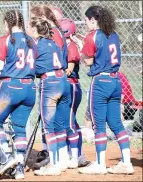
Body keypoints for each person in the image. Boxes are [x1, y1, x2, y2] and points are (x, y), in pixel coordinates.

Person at [70, 5, 134, 174]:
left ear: (93, 20)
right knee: (116, 123)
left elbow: (89, 61)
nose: (86, 23)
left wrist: (80, 48)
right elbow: (101, 49)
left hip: (100, 82)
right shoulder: (113, 35)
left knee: (99, 125)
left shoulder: (93, 36)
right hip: (115, 81)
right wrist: (86, 43)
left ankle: (100, 164)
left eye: (87, 20)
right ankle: (126, 162)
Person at [0, 10, 37, 179]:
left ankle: (6, 156)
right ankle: (19, 168)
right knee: (19, 129)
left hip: (11, 86)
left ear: (8, 23)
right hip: (29, 88)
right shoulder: (32, 41)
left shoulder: (5, 40)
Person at [27, 16, 71, 176]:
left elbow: (34, 69)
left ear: (34, 30)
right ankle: (61, 160)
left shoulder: (37, 45)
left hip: (50, 83)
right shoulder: (53, 43)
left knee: (49, 127)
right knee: (60, 125)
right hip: (63, 81)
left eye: (30, 27)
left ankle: (53, 164)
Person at [59, 18, 89, 168]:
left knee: (69, 121)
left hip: (71, 86)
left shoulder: (71, 46)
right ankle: (77, 154)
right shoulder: (65, 44)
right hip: (69, 86)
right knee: (71, 122)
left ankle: (75, 156)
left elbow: (69, 70)